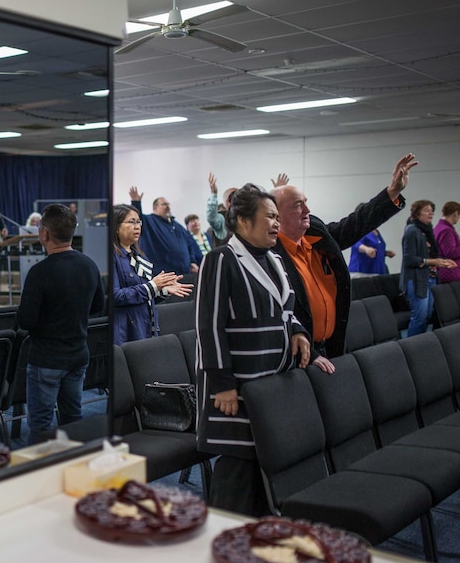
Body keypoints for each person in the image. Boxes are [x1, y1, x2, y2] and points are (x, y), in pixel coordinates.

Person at [195, 183, 311, 516]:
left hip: (269, 383)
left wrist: (299, 332)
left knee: (261, 461)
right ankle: (219, 539)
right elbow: (210, 326)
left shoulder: (274, 259)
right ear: (243, 221)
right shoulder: (220, 260)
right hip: (236, 387)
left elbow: (287, 310)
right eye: (269, 217)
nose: (276, 224)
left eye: (277, 217)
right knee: (237, 468)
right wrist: (223, 384)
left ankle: (257, 535)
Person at [271, 154, 416, 368]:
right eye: (297, 205)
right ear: (276, 214)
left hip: (330, 346)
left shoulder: (315, 232)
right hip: (297, 354)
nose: (307, 211)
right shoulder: (269, 254)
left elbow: (354, 224)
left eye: (306, 203)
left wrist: (392, 192)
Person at [16, 204, 106, 444]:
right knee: (73, 420)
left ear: (44, 234)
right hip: (78, 356)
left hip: (46, 360)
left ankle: (40, 475)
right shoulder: (89, 265)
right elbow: (98, 306)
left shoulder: (39, 272)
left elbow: (26, 321)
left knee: (40, 425)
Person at [112, 204, 192, 345]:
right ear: (116, 227)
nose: (137, 226)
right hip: (126, 333)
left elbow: (146, 296)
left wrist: (163, 290)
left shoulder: (140, 256)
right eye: (131, 222)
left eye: (139, 222)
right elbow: (116, 296)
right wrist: (153, 286)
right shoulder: (112, 256)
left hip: (147, 328)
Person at [401, 199, 458, 336]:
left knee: (427, 317)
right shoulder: (412, 231)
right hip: (416, 280)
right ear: (417, 213)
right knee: (419, 318)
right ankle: (411, 348)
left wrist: (444, 262)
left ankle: (421, 346)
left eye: (432, 210)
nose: (431, 213)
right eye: (426, 210)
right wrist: (433, 261)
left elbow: (433, 255)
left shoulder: (427, 231)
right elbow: (409, 259)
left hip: (430, 278)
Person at [128, 186, 202, 279]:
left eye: (168, 204)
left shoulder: (177, 225)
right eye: (164, 204)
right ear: (155, 207)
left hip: (184, 275)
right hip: (163, 279)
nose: (168, 206)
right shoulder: (149, 222)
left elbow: (190, 243)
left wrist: (193, 261)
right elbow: (137, 219)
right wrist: (136, 203)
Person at [348, 202, 395, 277]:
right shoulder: (359, 229)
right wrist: (366, 249)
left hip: (377, 271)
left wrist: (385, 253)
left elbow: (375, 248)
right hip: (362, 272)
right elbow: (356, 244)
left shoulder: (376, 231)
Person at [206, 173, 236, 248]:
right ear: (226, 202)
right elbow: (211, 217)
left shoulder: (247, 217)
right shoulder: (222, 219)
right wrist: (213, 194)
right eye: (232, 197)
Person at [434, 201, 460, 284]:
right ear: (456, 213)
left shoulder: (438, 228)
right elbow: (450, 252)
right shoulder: (446, 230)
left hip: (442, 272)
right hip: (450, 274)